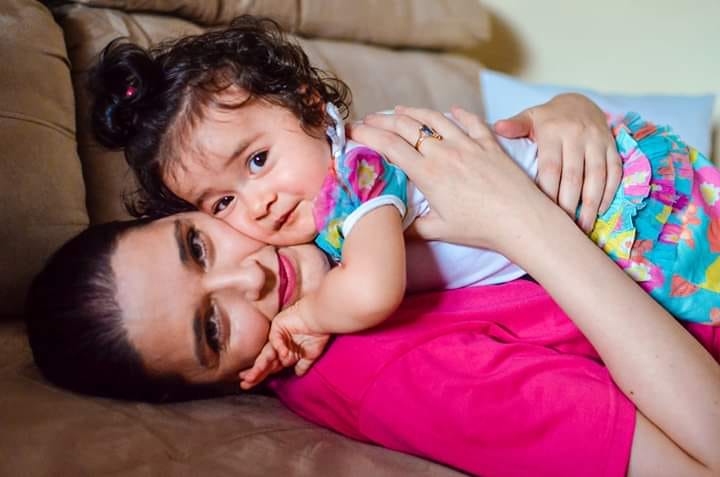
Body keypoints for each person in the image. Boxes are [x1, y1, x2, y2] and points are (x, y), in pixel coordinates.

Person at [24, 107, 720, 477]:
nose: (251, 275)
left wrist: (566, 114)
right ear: (224, 382)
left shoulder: (324, 214)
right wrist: (523, 221)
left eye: (198, 246)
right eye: (212, 327)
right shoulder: (396, 376)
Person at [90, 15, 718, 379]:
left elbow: (373, 290)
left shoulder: (358, 171)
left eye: (258, 161)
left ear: (312, 108)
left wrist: (304, 319)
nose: (259, 204)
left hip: (626, 205)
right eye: (222, 203)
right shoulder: (326, 219)